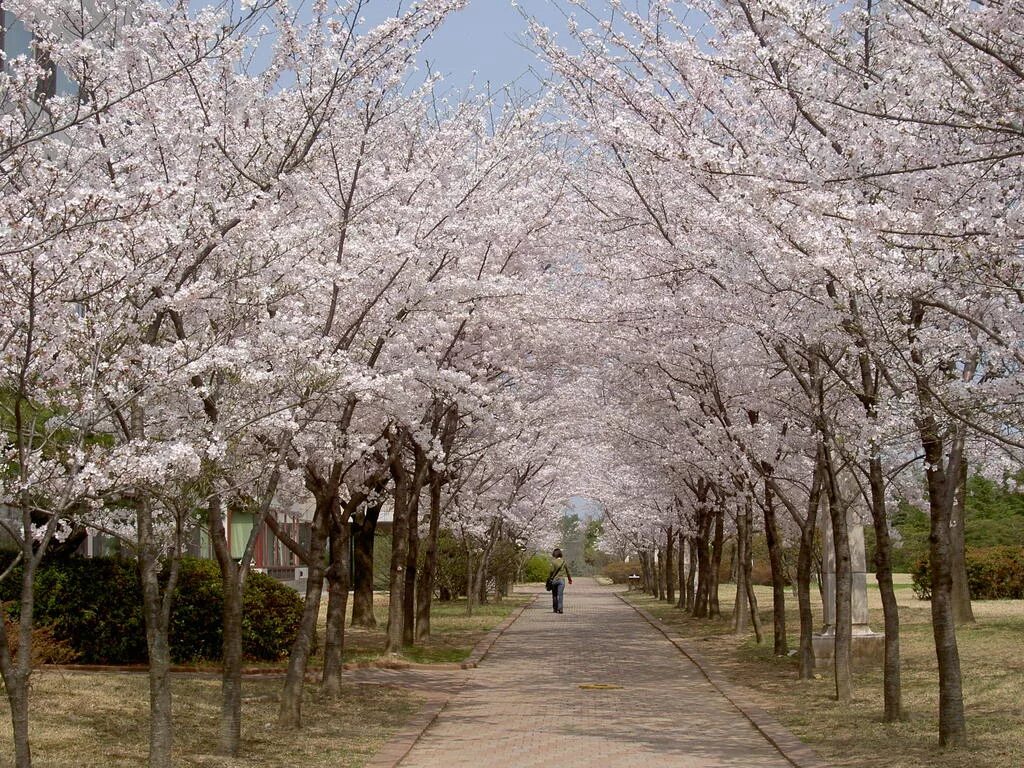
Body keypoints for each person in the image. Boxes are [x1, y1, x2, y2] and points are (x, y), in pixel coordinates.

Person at [549, 548, 572, 613]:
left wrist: (549, 578)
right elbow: (568, 572)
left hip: (554, 580)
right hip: (561, 580)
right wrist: (569, 579)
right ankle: (560, 608)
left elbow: (551, 571)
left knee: (554, 595)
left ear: (554, 554)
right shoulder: (564, 561)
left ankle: (555, 609)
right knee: (560, 595)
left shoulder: (553, 562)